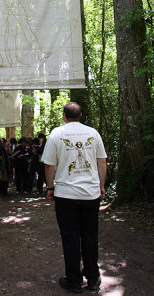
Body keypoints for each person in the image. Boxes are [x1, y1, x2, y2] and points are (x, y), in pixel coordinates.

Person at [42, 102, 107, 294]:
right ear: (80, 115)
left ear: (64, 116)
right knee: (90, 234)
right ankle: (93, 278)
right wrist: (101, 186)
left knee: (70, 237)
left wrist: (51, 187)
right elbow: (101, 161)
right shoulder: (93, 133)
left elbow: (49, 165)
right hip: (90, 193)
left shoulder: (56, 134)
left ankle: (73, 280)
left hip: (66, 195)